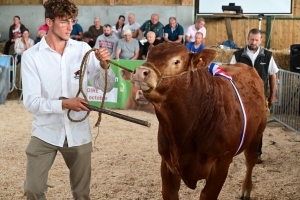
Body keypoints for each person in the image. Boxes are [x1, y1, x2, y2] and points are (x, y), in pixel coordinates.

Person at [21, 0, 116, 199]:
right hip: (45, 132)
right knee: (33, 189)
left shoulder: (83, 49)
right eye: (64, 21)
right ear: (49, 21)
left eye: (72, 21)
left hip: (78, 132)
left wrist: (105, 67)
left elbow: (105, 86)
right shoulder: (31, 57)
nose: (70, 27)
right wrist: (65, 104)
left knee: (82, 194)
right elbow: (31, 101)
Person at [230, 28, 279, 164]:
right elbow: (230, 75)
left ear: (261, 41)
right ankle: (236, 150)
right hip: (241, 97)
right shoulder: (238, 55)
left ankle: (256, 154)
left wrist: (272, 95)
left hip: (259, 97)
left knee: (258, 126)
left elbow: (272, 75)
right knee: (238, 123)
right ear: (248, 38)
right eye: (252, 39)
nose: (254, 42)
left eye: (256, 40)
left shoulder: (267, 56)